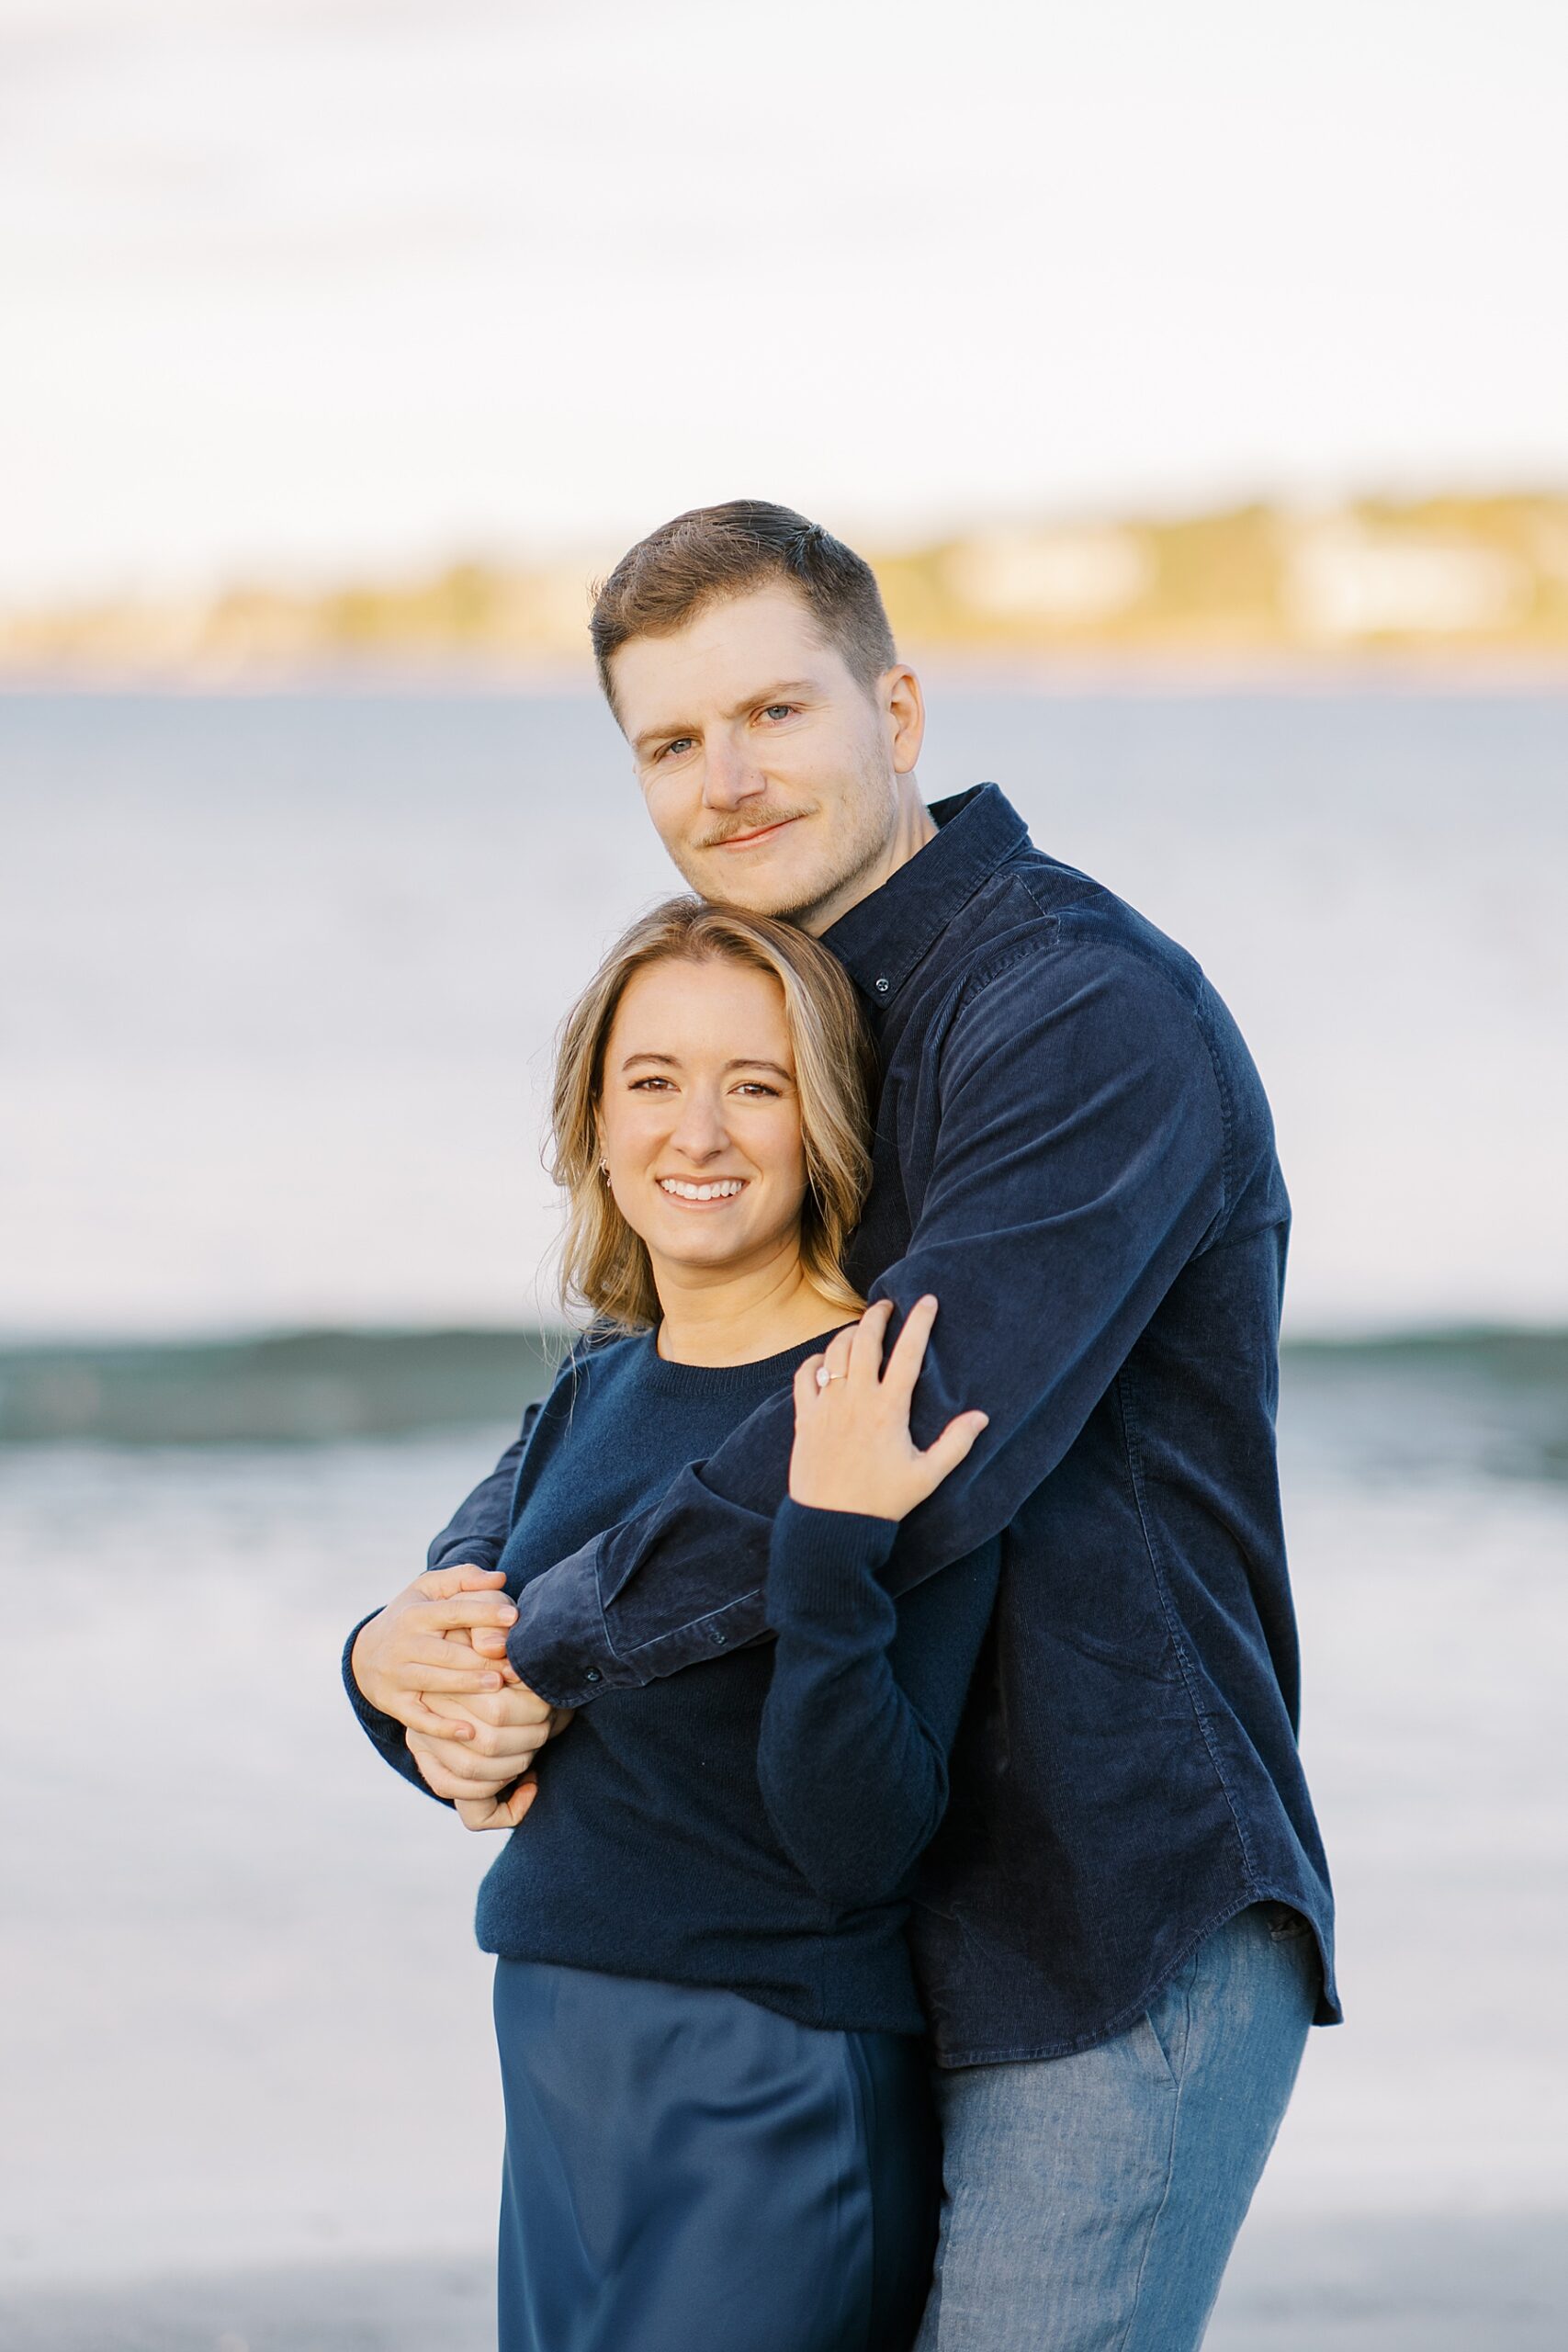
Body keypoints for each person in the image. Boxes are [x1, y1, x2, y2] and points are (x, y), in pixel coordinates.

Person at [360, 502, 1339, 2351]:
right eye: (668, 741)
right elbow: (648, 1367)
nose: (724, 779)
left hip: (1093, 1908)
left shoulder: (1078, 1009)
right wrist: (421, 1635)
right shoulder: (786, 1013)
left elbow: (894, 1432)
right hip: (839, 1922)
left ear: (893, 707)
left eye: (771, 713)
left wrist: (534, 1655)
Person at [345, 898, 998, 2351]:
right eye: (653, 1082)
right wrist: (371, 1670)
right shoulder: (597, 1385)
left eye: (753, 1086)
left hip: (771, 2066)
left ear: (822, 1120)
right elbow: (467, 1665)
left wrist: (826, 1547)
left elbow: (864, 1838)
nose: (696, 1134)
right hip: (560, 2048)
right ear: (593, 1116)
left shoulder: (884, 1390)